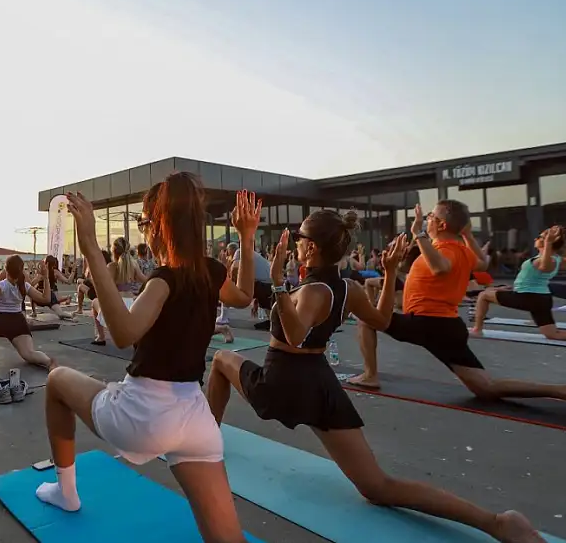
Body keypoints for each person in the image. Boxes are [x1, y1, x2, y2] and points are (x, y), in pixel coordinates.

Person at [205, 212, 545, 543]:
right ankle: (498, 523)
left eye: (299, 238)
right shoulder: (347, 289)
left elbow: (294, 336)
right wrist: (391, 270)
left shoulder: (312, 292)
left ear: (312, 247)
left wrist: (279, 281)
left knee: (221, 358)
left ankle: (205, 441)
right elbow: (383, 320)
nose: (295, 243)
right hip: (321, 384)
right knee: (377, 487)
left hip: (281, 383)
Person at [37, 176, 259, 542]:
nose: (144, 231)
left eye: (144, 222)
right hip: (195, 419)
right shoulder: (210, 273)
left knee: (58, 379)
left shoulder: (163, 281)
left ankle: (66, 492)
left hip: (143, 415)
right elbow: (245, 294)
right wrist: (247, 239)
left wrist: (91, 244)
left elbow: (123, 333)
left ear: (160, 226)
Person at [349, 201, 566, 420]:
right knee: (486, 388)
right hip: (446, 327)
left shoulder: (446, 249)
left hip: (427, 323)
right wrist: (466, 235)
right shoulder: (461, 250)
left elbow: (441, 268)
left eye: (431, 217)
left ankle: (370, 375)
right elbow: (482, 261)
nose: (426, 219)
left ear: (440, 225)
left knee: (366, 319)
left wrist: (418, 234)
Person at [472, 226, 566, 348]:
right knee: (552, 334)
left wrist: (548, 243)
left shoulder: (548, 260)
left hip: (528, 298)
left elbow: (544, 267)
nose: (537, 239)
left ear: (548, 242)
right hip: (540, 298)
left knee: (484, 295)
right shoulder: (555, 259)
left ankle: (477, 329)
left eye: (540, 237)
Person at [0, 256, 59, 369]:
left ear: (6, 270)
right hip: (18, 323)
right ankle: (49, 362)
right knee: (29, 354)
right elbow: (46, 299)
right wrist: (46, 278)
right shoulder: (25, 286)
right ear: (21, 270)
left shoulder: (2, 285)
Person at [91, 237, 148, 345]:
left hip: (116, 307)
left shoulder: (111, 267)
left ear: (113, 252)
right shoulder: (134, 265)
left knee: (94, 302)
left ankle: (101, 337)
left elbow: (105, 288)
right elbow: (146, 280)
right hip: (131, 305)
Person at [231, 241, 272, 328]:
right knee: (266, 302)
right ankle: (272, 321)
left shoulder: (240, 251)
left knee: (227, 289)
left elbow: (234, 267)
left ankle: (223, 317)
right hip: (269, 284)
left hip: (262, 285)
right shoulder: (256, 255)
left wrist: (232, 283)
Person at [29, 255, 74, 321]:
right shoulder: (55, 272)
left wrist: (35, 273)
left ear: (46, 263)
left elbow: (31, 284)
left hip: (42, 296)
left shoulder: (43, 273)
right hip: (49, 296)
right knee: (60, 313)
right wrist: (73, 270)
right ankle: (70, 315)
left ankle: (34, 312)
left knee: (31, 292)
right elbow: (69, 281)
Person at [71, 250, 111, 318]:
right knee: (80, 281)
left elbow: (94, 282)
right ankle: (79, 307)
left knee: (80, 287)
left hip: (98, 293)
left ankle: (80, 309)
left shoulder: (97, 268)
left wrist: (87, 280)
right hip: (105, 291)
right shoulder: (110, 266)